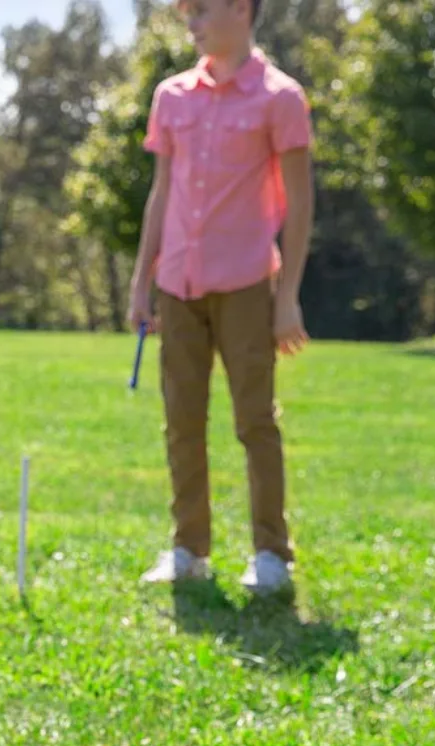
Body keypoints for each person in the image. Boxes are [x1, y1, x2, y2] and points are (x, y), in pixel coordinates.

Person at [129, 0, 314, 596]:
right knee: (182, 422)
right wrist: (142, 280)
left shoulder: (281, 98)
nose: (191, 22)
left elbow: (300, 205)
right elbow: (162, 193)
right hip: (177, 284)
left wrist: (287, 298)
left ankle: (270, 556)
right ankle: (189, 548)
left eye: (202, 9)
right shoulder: (171, 97)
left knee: (255, 422)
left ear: (240, 8)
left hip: (245, 285)